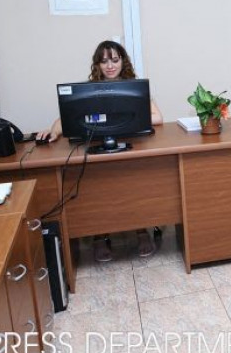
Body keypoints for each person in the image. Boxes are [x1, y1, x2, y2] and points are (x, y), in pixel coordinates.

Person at [38, 40, 164, 260]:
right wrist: (53, 131)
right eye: (104, 61)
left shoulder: (132, 87)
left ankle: (141, 231)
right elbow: (65, 120)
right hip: (98, 149)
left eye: (114, 60)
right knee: (96, 190)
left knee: (135, 187)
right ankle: (99, 236)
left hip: (129, 149)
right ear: (97, 64)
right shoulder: (88, 90)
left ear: (123, 61)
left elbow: (158, 118)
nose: (110, 66)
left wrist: (130, 120)